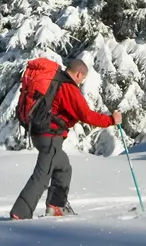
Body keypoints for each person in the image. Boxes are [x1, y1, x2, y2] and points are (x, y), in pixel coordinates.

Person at [10, 59, 122, 219]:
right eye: (82, 79)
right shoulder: (67, 87)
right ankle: (20, 213)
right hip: (50, 137)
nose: (81, 82)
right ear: (79, 74)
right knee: (41, 176)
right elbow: (86, 115)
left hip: (40, 135)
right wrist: (111, 120)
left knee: (63, 168)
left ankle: (56, 206)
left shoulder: (57, 82)